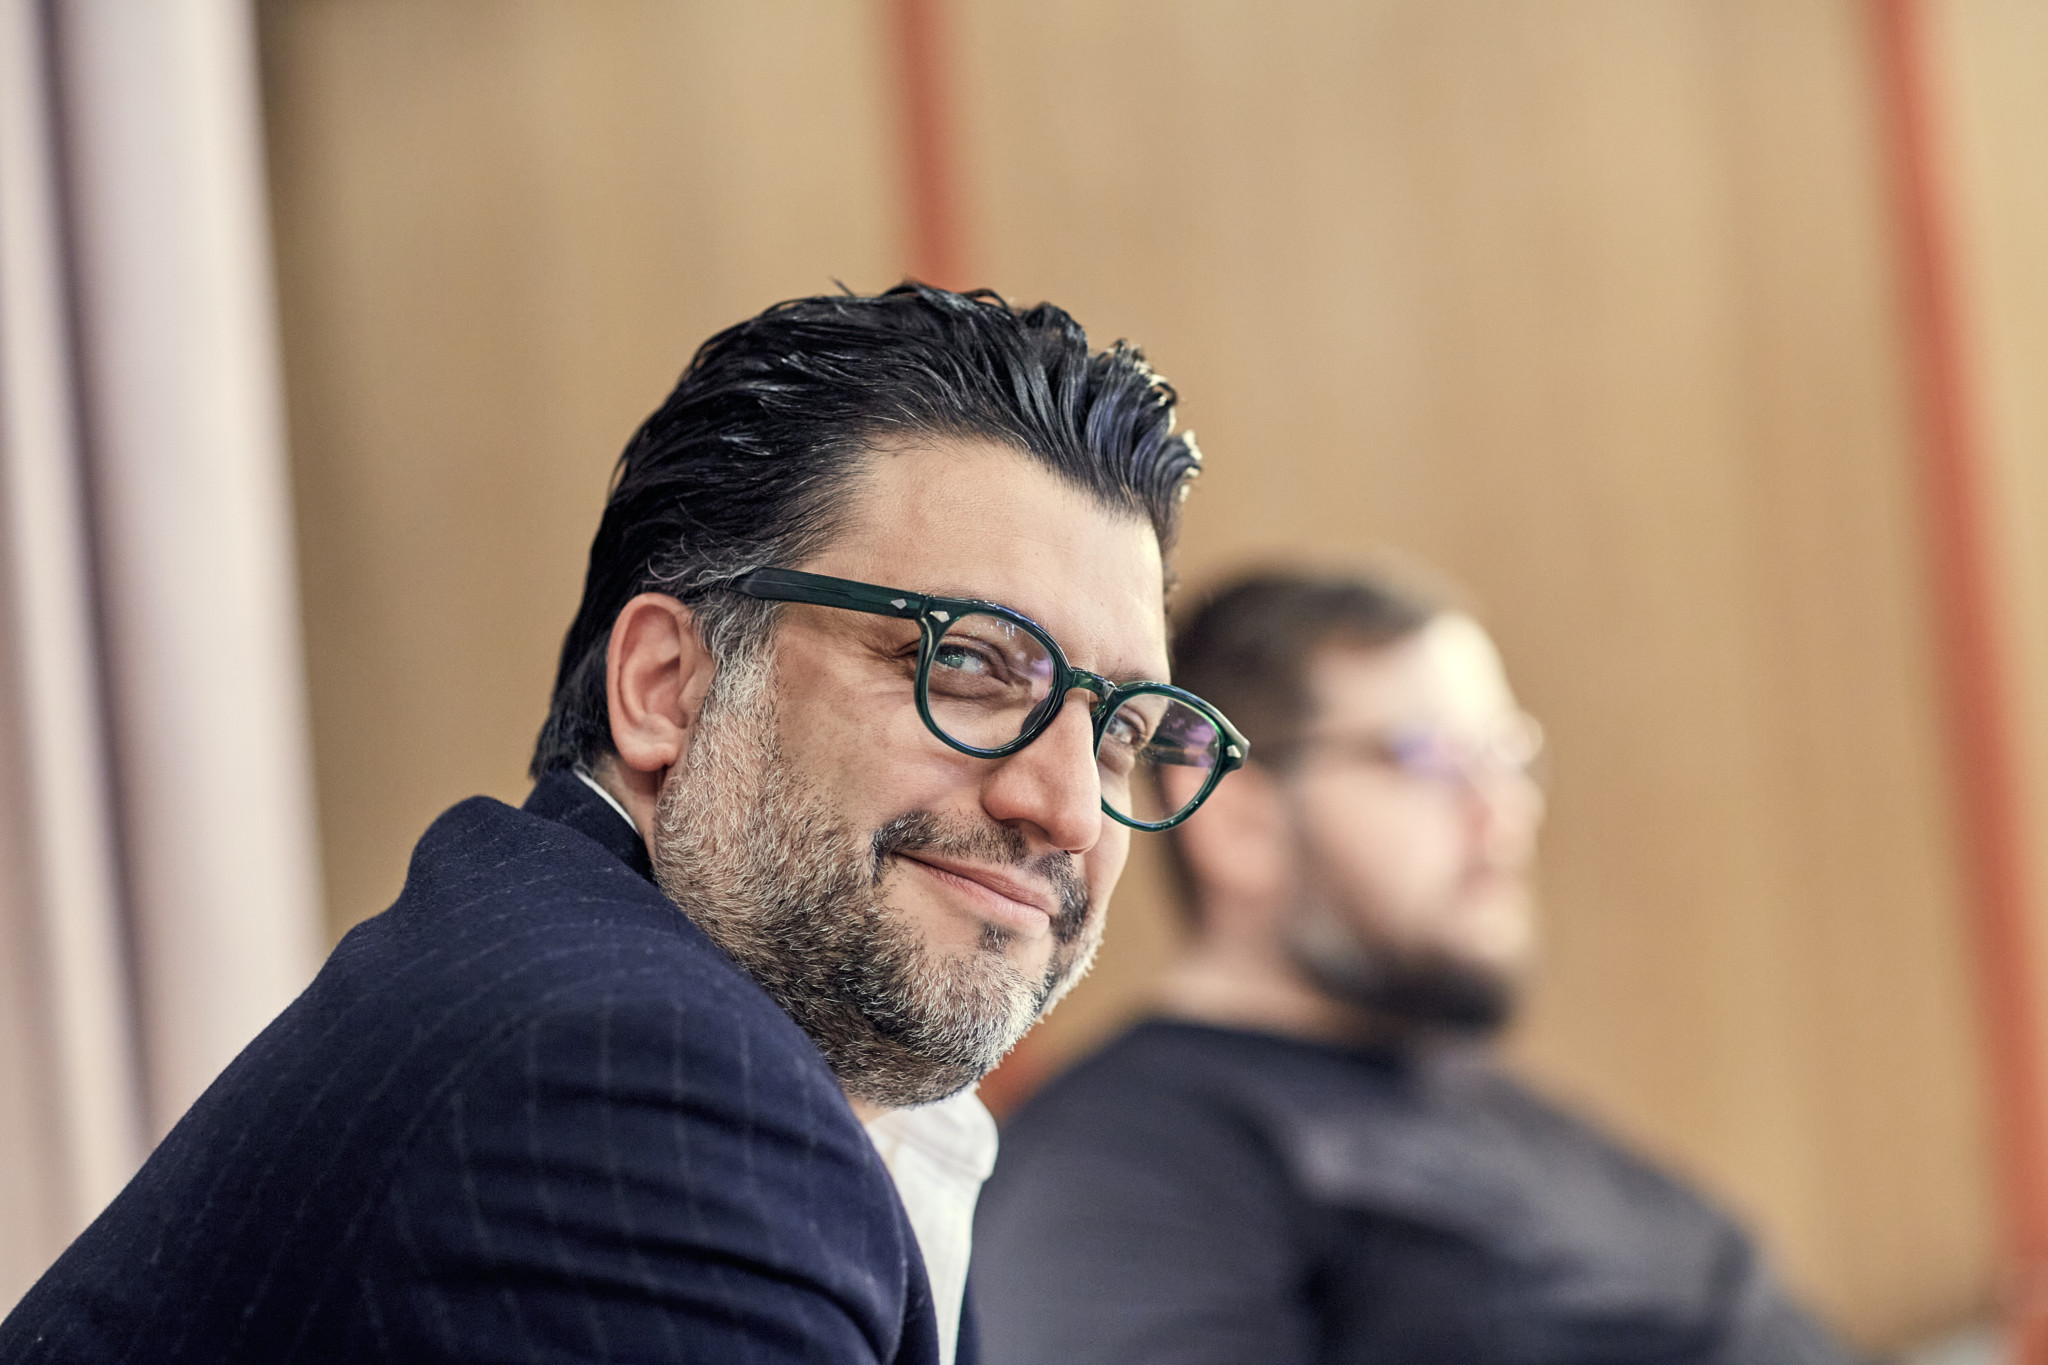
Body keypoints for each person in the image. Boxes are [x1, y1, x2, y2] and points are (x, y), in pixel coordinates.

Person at [0, 284, 1246, 1364]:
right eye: (965, 663)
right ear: (667, 687)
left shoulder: (694, 1051)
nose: (1064, 807)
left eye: (1123, 730)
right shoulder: (629, 1080)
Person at [972, 568, 1862, 1365]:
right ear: (1240, 822)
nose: (1502, 814)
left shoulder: (1473, 1096)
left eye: (1507, 758)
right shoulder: (1131, 1159)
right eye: (1429, 758)